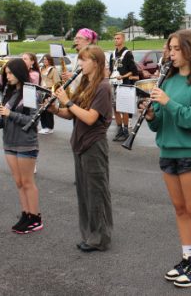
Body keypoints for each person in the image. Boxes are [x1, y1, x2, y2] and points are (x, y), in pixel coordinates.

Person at [143, 30, 191, 287]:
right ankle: (187, 258)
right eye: (169, 48)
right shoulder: (167, 80)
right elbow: (160, 124)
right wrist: (152, 116)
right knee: (180, 209)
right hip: (168, 150)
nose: (170, 53)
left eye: (176, 48)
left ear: (190, 49)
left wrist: (168, 103)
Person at [50, 44, 112, 252]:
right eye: (80, 60)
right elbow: (71, 114)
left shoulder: (103, 86)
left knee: (96, 191)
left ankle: (100, 238)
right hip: (79, 141)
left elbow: (90, 117)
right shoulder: (85, 82)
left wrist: (67, 102)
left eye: (84, 60)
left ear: (95, 62)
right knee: (84, 192)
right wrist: (55, 109)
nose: (80, 64)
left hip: (94, 143)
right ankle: (89, 234)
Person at [0, 58, 41, 234]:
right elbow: (7, 120)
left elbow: (32, 121)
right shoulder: (11, 93)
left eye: (10, 73)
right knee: (19, 182)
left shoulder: (30, 93)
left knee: (27, 182)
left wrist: (9, 113)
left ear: (19, 72)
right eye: (6, 73)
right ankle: (26, 213)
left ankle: (35, 217)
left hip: (26, 142)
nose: (7, 77)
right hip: (9, 141)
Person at [110, 32, 137, 141]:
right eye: (115, 38)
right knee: (115, 108)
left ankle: (125, 130)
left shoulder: (128, 53)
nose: (116, 40)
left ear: (123, 40)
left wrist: (123, 76)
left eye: (118, 38)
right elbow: (111, 70)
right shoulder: (112, 54)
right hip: (114, 84)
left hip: (124, 84)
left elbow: (133, 71)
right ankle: (119, 129)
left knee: (124, 108)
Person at [37, 54, 61, 134]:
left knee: (48, 110)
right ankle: (44, 126)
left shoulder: (53, 70)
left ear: (50, 60)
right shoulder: (42, 69)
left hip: (49, 91)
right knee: (41, 109)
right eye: (44, 59)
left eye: (46, 60)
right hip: (41, 91)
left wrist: (53, 92)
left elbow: (57, 82)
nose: (45, 61)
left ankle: (49, 127)